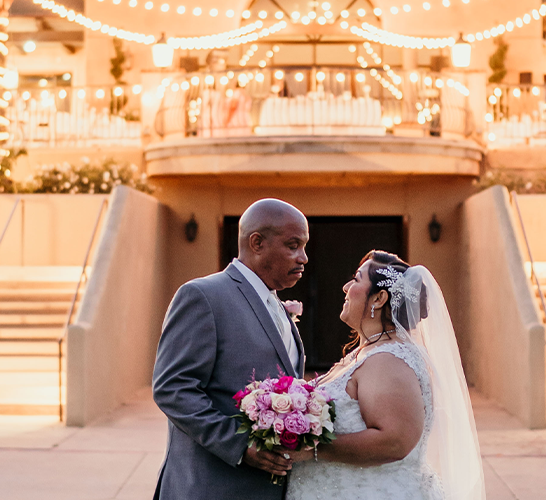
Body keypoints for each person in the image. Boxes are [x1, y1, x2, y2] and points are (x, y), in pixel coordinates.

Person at [287, 251, 485, 500]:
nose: (346, 287)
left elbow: (395, 440)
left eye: (357, 280)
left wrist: (311, 449)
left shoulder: (388, 361)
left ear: (379, 298)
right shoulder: (366, 353)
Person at [152, 199, 308, 498]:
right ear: (257, 243)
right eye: (293, 245)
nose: (303, 257)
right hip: (212, 487)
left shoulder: (275, 302)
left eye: (303, 246)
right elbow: (173, 388)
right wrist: (240, 446)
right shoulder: (203, 296)